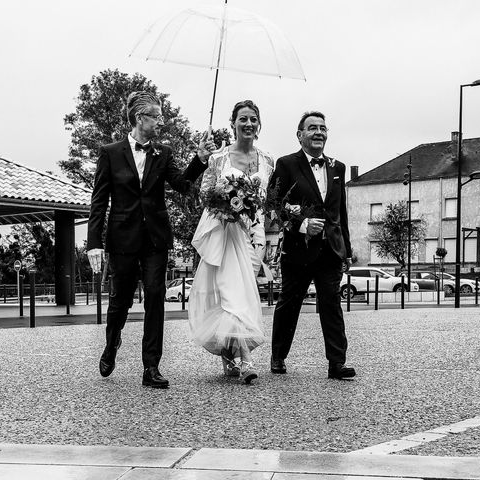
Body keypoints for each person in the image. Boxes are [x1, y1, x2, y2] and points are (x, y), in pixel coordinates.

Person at [87, 91, 215, 388]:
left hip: (156, 238)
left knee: (156, 297)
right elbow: (99, 201)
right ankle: (112, 343)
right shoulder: (110, 152)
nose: (161, 121)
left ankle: (151, 367)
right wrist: (94, 242)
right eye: (156, 116)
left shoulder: (164, 153)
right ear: (139, 118)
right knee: (120, 301)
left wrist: (199, 160)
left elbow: (183, 185)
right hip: (122, 238)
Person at [188, 100, 274, 384]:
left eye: (253, 119)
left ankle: (229, 352)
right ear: (233, 123)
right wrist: (226, 204)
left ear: (258, 124)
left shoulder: (267, 160)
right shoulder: (218, 158)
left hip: (255, 232)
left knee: (246, 291)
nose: (248, 124)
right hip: (225, 231)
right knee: (230, 291)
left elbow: (266, 198)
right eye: (242, 119)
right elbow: (205, 194)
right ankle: (246, 358)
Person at [267, 111, 356, 380]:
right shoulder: (286, 164)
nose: (319, 132)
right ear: (300, 135)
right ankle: (278, 356)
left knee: (331, 303)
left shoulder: (337, 167)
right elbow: (273, 206)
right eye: (312, 128)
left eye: (323, 128)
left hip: (330, 249)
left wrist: (347, 250)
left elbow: (341, 212)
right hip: (298, 249)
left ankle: (337, 363)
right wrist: (302, 224)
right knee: (290, 302)